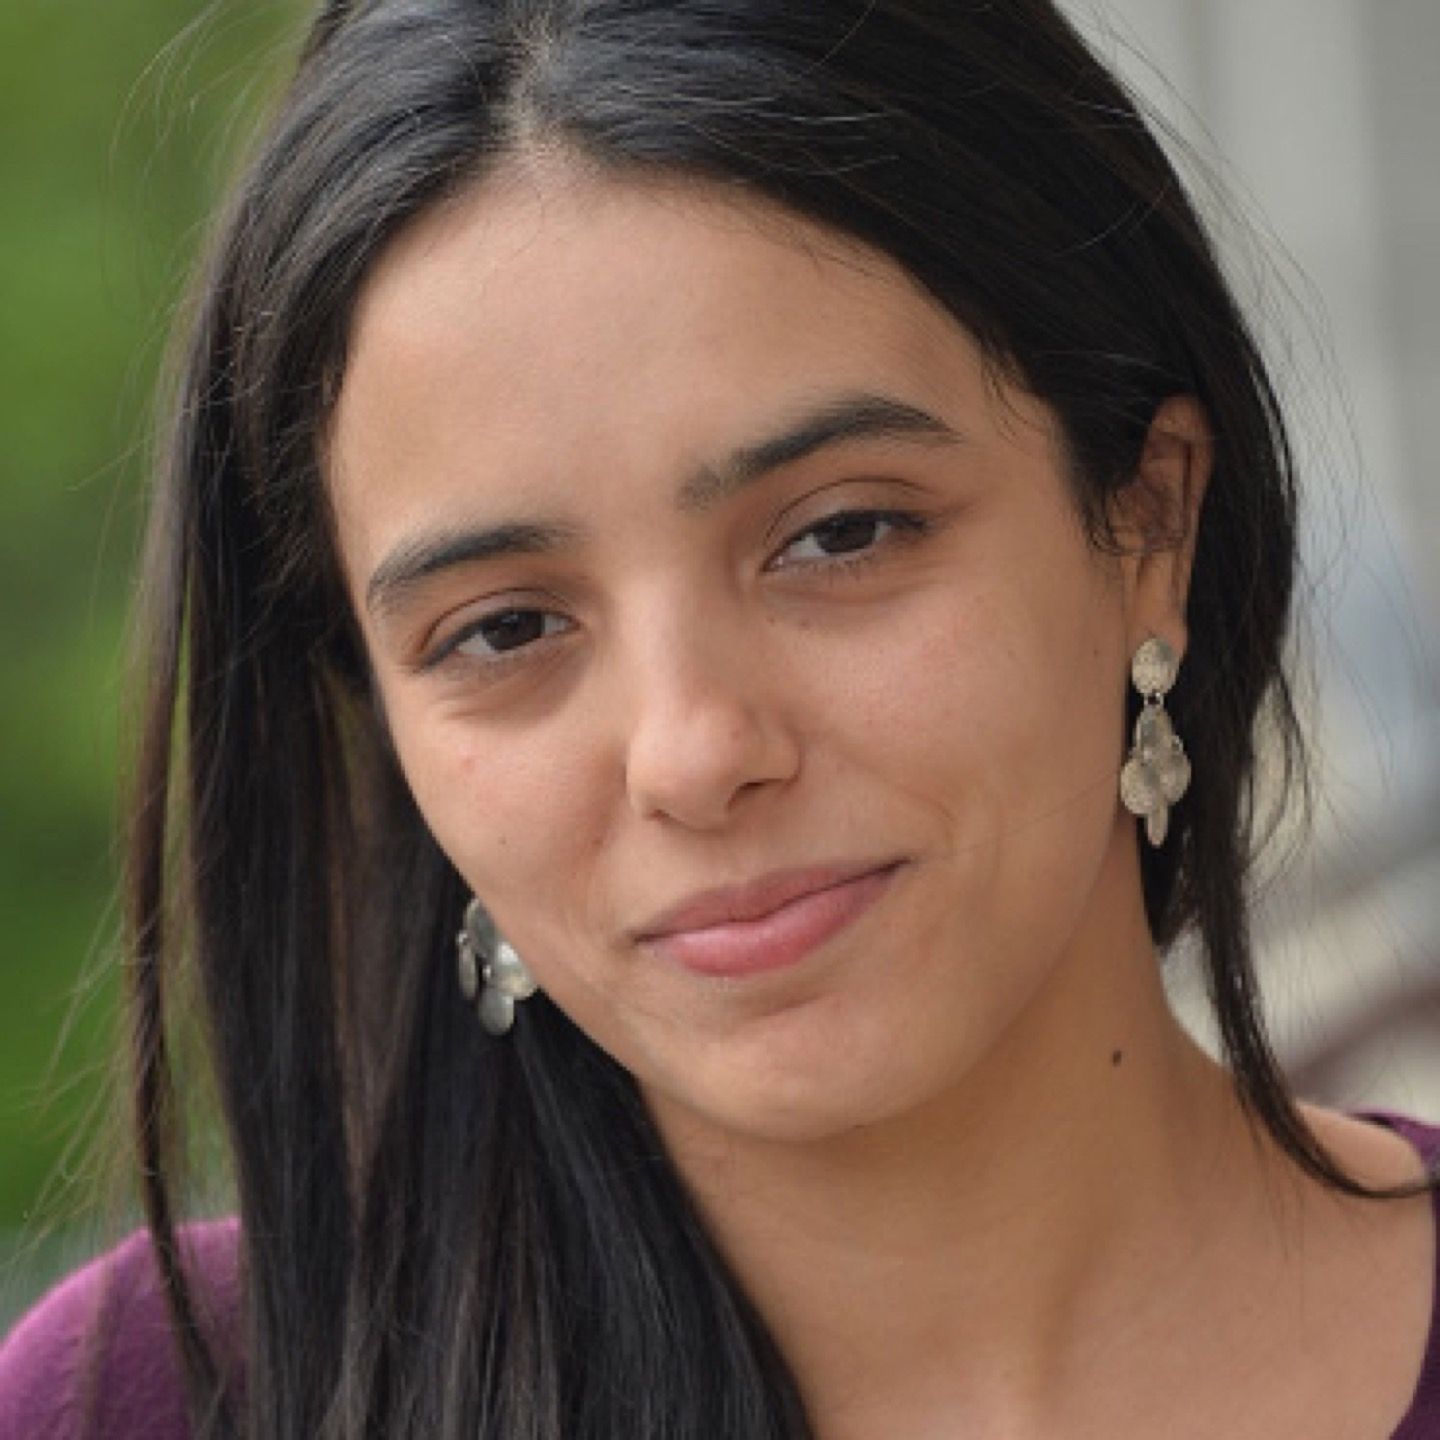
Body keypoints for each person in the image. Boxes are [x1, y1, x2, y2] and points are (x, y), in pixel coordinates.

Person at [2, 1, 1437, 1436]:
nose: (693, 752)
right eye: (504, 629)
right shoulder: (155, 1403)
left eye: (840, 535)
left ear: (1150, 522)